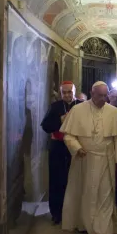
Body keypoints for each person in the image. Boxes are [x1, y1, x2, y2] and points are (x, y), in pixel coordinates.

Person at [60, 81, 117, 234]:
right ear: (92, 93)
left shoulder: (114, 111)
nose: (104, 99)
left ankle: (104, 231)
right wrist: (77, 148)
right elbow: (68, 136)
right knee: (86, 193)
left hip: (106, 160)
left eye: (106, 95)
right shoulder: (77, 110)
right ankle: (84, 225)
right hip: (85, 160)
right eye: (100, 95)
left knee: (105, 195)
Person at [40, 81, 81, 225]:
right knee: (57, 179)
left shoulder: (82, 105)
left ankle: (76, 211)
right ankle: (57, 212)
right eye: (64, 92)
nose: (67, 95)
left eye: (70, 92)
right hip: (58, 147)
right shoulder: (55, 107)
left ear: (75, 91)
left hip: (77, 148)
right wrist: (60, 121)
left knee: (75, 179)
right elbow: (45, 126)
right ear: (60, 93)